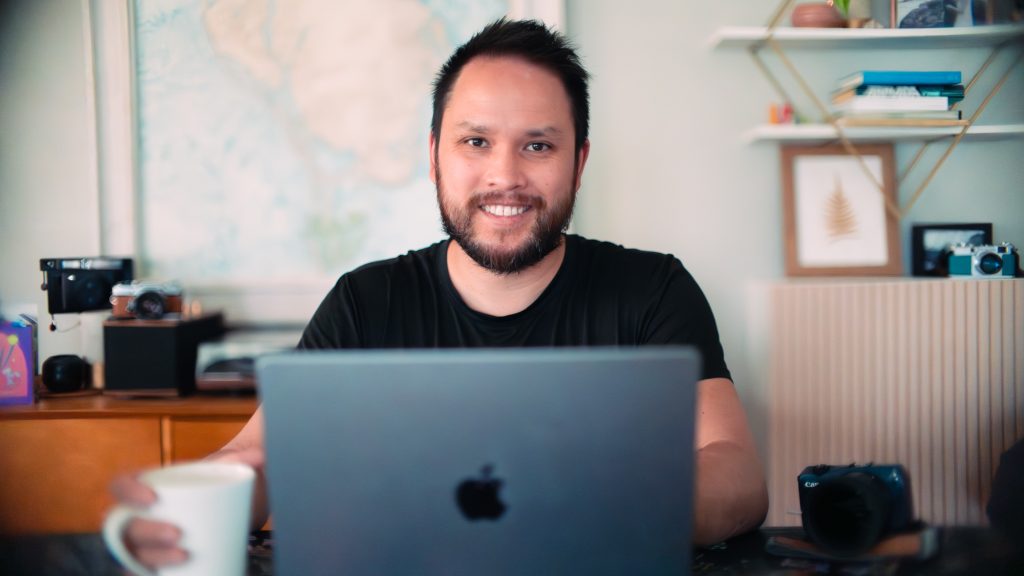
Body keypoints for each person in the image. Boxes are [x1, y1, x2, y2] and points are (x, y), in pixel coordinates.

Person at [110, 18, 769, 569]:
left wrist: (610, 504)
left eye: (538, 145)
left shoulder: (653, 290)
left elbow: (736, 473)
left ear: (579, 161)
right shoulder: (364, 302)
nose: (504, 176)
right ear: (434, 156)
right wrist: (181, 512)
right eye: (475, 141)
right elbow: (259, 457)